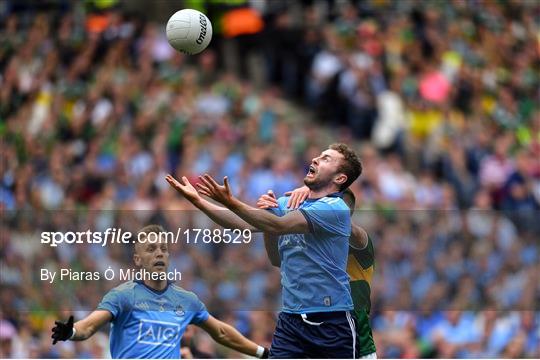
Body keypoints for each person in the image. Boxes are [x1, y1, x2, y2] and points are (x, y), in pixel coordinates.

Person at [166, 143, 363, 358]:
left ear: (340, 178)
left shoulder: (334, 208)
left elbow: (277, 225)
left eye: (326, 159)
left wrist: (231, 201)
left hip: (331, 322)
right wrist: (199, 201)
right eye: (319, 155)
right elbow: (242, 225)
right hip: (291, 320)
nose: (316, 159)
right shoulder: (288, 202)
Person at [51, 224, 269, 359]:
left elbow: (220, 332)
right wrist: (70, 332)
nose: (159, 254)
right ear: (137, 259)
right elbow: (88, 326)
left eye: (164, 249)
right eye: (151, 249)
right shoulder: (123, 296)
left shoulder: (186, 300)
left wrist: (263, 353)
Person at [257, 187, 377, 358]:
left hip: (358, 343)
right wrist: (269, 217)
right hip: (312, 335)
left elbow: (338, 221)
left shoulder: (359, 239)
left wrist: (309, 195)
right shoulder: (312, 242)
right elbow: (276, 260)